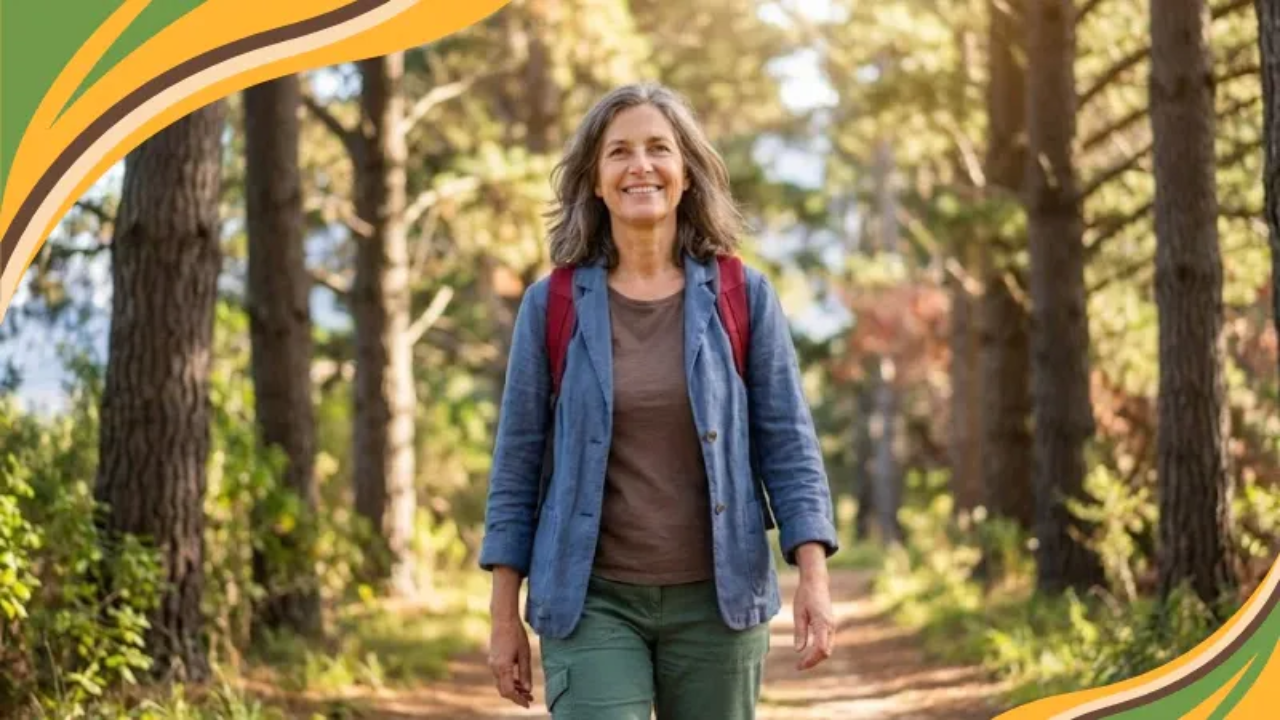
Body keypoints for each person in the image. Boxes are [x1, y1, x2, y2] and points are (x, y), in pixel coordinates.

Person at [478, 81, 839, 720]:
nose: (640, 166)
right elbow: (518, 464)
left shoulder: (743, 295)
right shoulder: (553, 305)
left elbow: (788, 444)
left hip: (717, 605)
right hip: (591, 601)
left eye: (658, 149)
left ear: (686, 173)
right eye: (619, 152)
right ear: (594, 178)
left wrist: (813, 574)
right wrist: (502, 612)